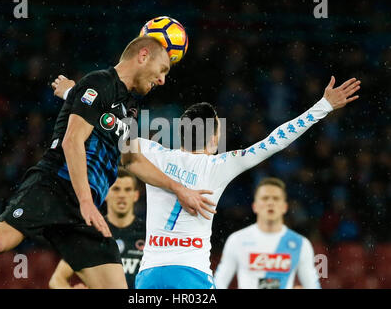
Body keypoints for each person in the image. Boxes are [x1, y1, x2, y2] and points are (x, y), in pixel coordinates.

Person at [0, 35, 216, 289]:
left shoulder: (130, 110)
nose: (162, 80)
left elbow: (132, 161)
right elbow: (72, 141)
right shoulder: (100, 82)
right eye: (162, 70)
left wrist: (179, 189)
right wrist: (86, 202)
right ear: (143, 56)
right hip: (53, 186)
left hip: (83, 209)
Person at [54, 74, 360, 288]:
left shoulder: (150, 152)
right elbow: (274, 141)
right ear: (214, 138)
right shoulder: (219, 165)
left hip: (149, 276)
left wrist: (72, 93)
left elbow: (105, 122)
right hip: (191, 274)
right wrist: (323, 107)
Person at [214, 177, 321, 289]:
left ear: (285, 207)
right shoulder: (237, 240)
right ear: (254, 206)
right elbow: (219, 283)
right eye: (265, 198)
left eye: (276, 198)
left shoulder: (301, 244)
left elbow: (313, 285)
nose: (270, 203)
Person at [49, 167, 145, 289]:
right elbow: (56, 280)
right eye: (116, 189)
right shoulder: (92, 233)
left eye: (127, 190)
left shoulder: (148, 233)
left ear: (136, 195)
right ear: (105, 193)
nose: (122, 195)